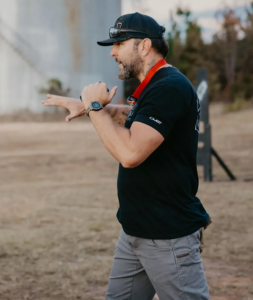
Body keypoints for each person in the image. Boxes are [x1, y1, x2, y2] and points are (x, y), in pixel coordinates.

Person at [42, 12, 211, 300]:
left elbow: (130, 153)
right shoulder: (154, 85)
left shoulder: (168, 87)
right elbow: (134, 119)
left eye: (119, 43)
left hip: (166, 235)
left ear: (144, 46)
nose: (113, 52)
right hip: (136, 231)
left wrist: (95, 107)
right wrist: (84, 106)